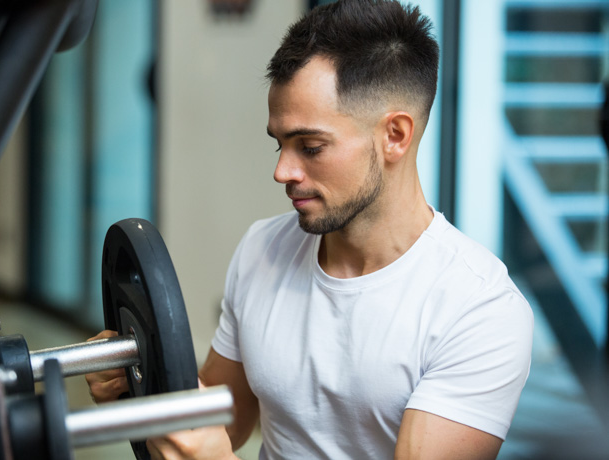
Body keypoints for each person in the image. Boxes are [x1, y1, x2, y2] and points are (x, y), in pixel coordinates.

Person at [86, 0, 534, 458]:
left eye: (311, 147)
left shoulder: (479, 310)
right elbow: (229, 421)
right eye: (279, 144)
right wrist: (139, 381)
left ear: (395, 135)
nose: (282, 172)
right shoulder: (263, 248)